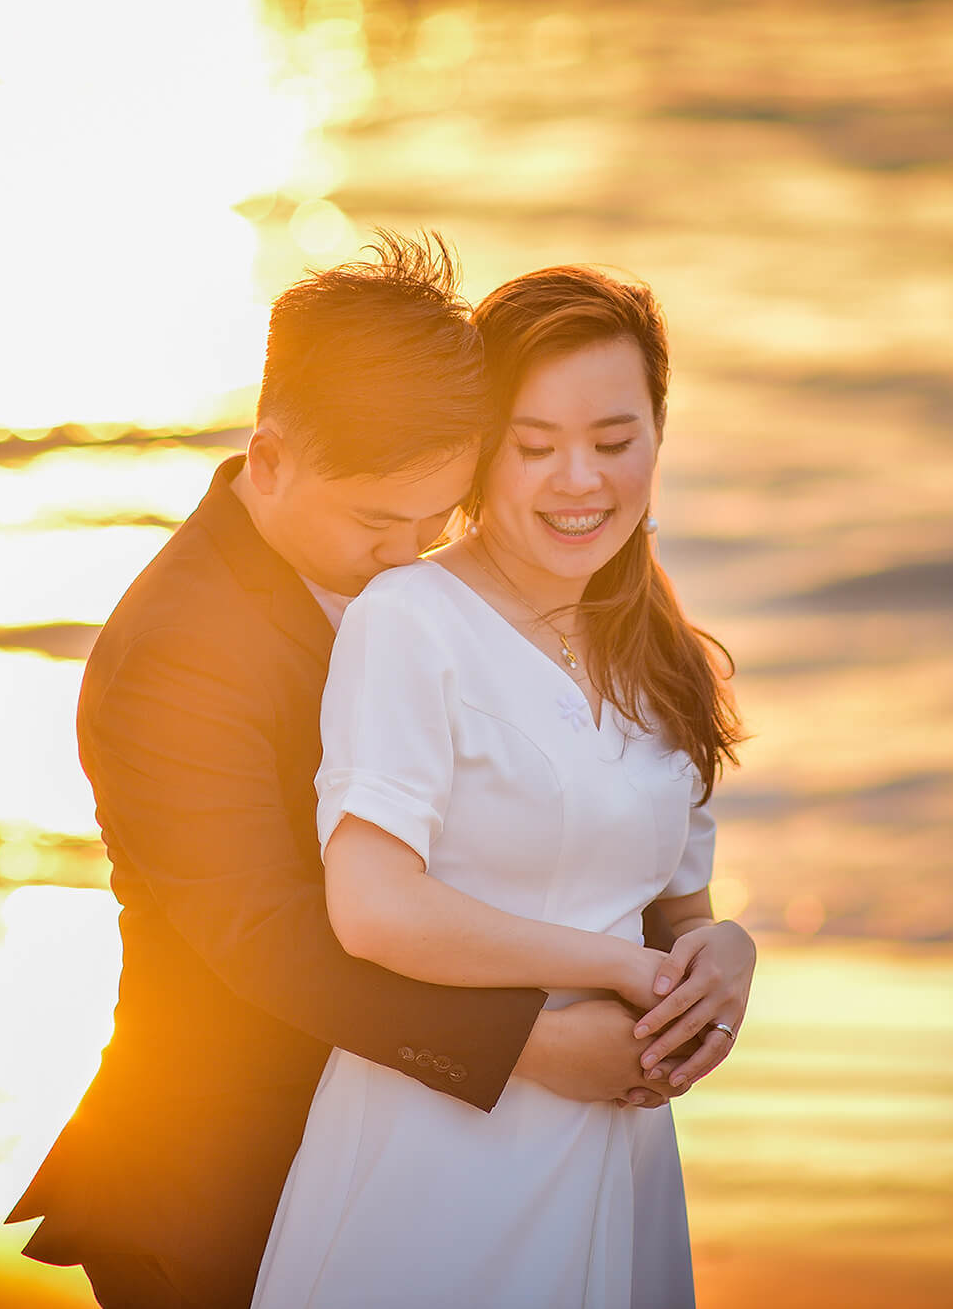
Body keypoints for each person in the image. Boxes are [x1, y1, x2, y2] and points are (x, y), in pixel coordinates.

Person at [4, 234, 745, 1309]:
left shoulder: (436, 588)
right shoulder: (176, 654)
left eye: (434, 517)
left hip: (436, 1134)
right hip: (220, 1168)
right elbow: (275, 937)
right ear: (268, 460)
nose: (409, 553)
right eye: (377, 523)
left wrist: (704, 948)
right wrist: (530, 1044)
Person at [252, 264, 753, 1309]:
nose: (579, 480)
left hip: (616, 1151)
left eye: (615, 442)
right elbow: (374, 907)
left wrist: (719, 956)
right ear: (480, 452)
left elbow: (676, 908)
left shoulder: (659, 652)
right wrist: (609, 971)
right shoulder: (409, 622)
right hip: (439, 1155)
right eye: (534, 447)